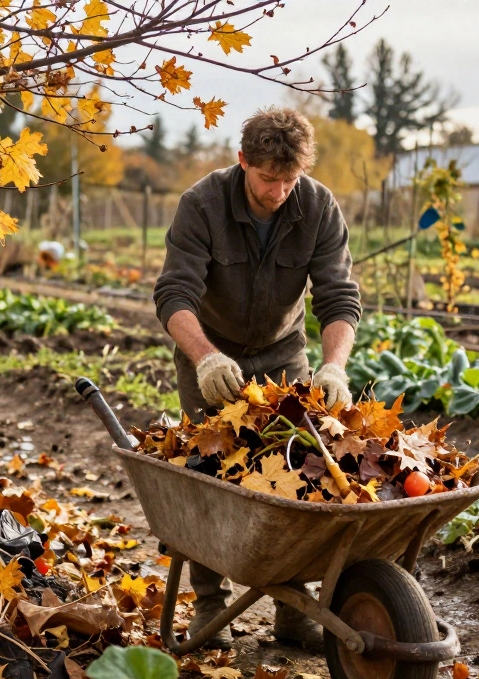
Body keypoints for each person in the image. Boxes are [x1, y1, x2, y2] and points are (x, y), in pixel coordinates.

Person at [152, 107, 361, 649]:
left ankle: (294, 611)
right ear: (243, 161)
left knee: (296, 472)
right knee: (211, 469)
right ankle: (208, 605)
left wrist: (334, 366)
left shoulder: (316, 207)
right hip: (211, 353)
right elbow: (174, 294)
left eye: (290, 179)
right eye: (269, 179)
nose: (279, 192)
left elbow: (338, 297)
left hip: (282, 352)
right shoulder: (202, 205)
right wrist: (204, 358)